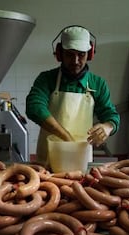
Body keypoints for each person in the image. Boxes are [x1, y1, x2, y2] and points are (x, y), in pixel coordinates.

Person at [26, 25, 120, 166]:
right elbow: (34, 107)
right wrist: (66, 137)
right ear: (59, 53)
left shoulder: (98, 84)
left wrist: (108, 127)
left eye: (81, 54)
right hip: (48, 159)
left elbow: (111, 115)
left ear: (90, 53)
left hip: (80, 158)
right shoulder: (46, 79)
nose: (76, 61)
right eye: (70, 54)